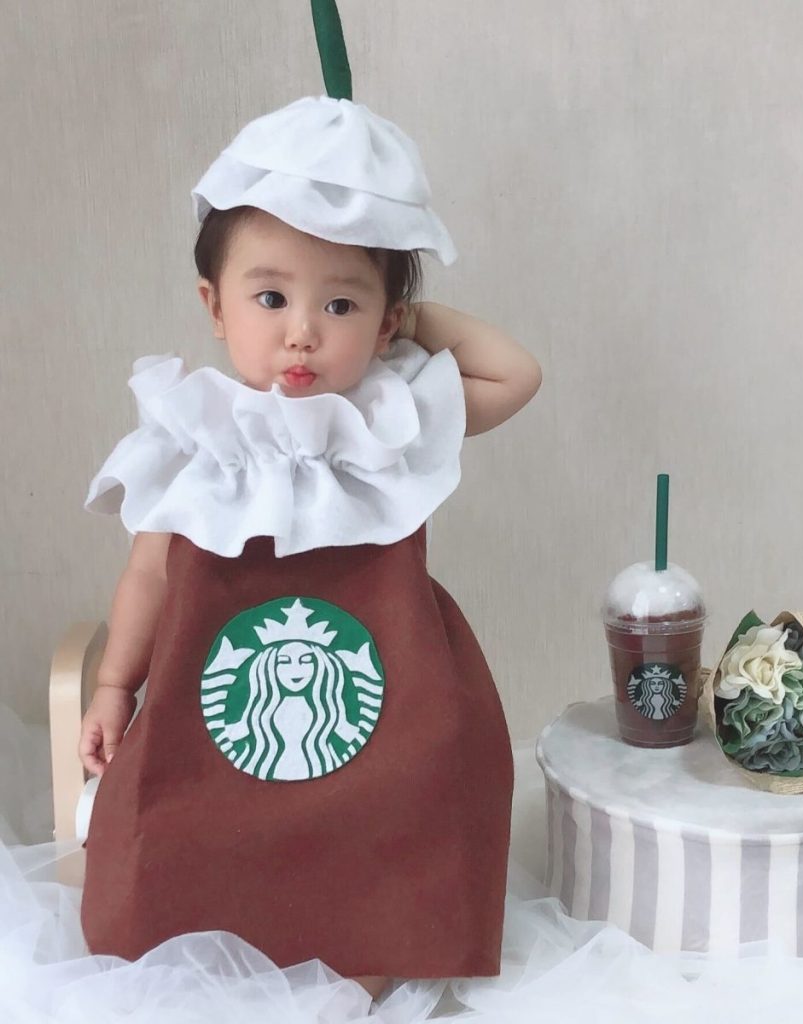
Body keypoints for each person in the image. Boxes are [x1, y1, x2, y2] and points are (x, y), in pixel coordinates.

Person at [75, 10, 540, 1000]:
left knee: (411, 789)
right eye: (271, 296)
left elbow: (514, 374)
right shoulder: (198, 432)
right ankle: (210, 943)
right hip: (211, 706)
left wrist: (404, 313)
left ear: (386, 320)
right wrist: (115, 684)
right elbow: (152, 568)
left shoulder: (389, 418)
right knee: (186, 819)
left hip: (389, 691)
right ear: (214, 306)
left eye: (340, 304)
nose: (302, 333)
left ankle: (374, 949)